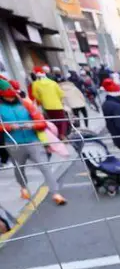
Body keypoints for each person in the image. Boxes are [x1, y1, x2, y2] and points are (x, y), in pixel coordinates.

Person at [0, 78, 66, 206]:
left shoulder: (25, 104)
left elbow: (41, 122)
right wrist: (10, 127)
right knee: (19, 168)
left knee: (45, 166)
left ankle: (56, 193)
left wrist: (31, 125)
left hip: (33, 140)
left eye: (13, 96)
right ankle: (23, 187)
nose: (12, 99)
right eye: (8, 97)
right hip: (14, 143)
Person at [31, 67, 69, 140]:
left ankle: (56, 135)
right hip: (57, 105)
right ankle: (62, 134)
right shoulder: (53, 82)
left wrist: (42, 100)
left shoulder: (35, 84)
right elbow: (61, 94)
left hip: (46, 106)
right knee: (62, 120)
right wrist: (60, 101)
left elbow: (35, 95)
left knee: (53, 121)